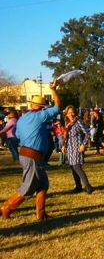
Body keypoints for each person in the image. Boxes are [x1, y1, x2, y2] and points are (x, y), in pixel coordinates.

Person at [1, 82, 60, 220]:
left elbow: (18, 135)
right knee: (28, 187)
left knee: (43, 184)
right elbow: (57, 106)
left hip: (28, 155)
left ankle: (41, 213)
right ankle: (7, 207)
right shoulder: (41, 115)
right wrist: (53, 90)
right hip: (33, 156)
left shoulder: (22, 119)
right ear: (41, 107)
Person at [62, 105, 94, 194]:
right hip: (69, 148)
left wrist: (83, 144)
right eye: (68, 113)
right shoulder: (67, 123)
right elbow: (65, 136)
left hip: (77, 148)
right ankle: (78, 186)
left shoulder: (78, 122)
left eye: (72, 112)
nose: (71, 114)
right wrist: (63, 145)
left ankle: (88, 186)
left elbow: (87, 133)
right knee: (72, 167)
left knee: (77, 167)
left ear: (75, 112)